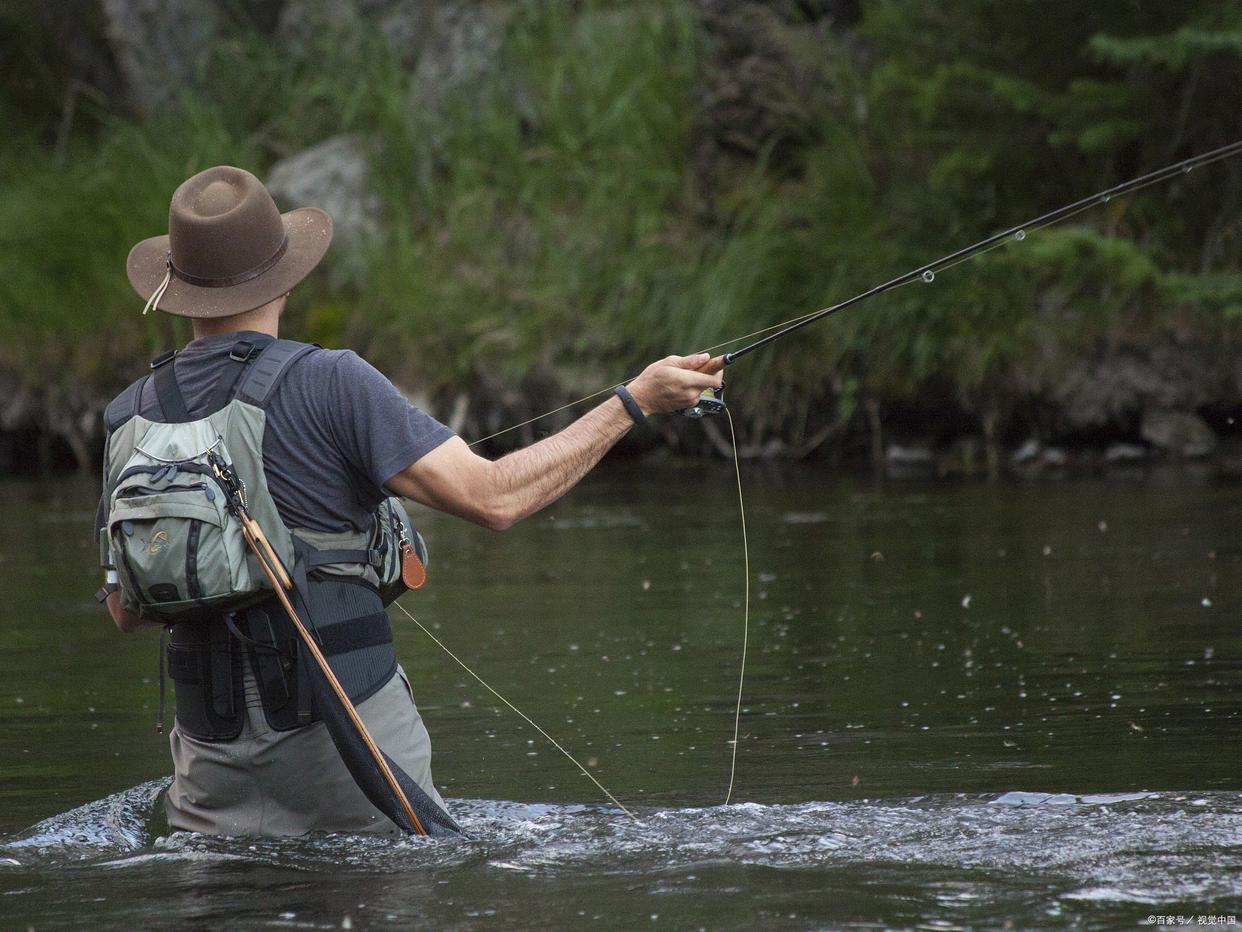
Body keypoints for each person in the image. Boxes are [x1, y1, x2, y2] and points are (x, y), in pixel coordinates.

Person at [96, 165, 722, 836]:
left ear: (178, 289)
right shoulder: (332, 382)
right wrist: (633, 403)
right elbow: (495, 498)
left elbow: (126, 612)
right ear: (287, 279)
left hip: (209, 785)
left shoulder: (130, 418)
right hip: (355, 766)